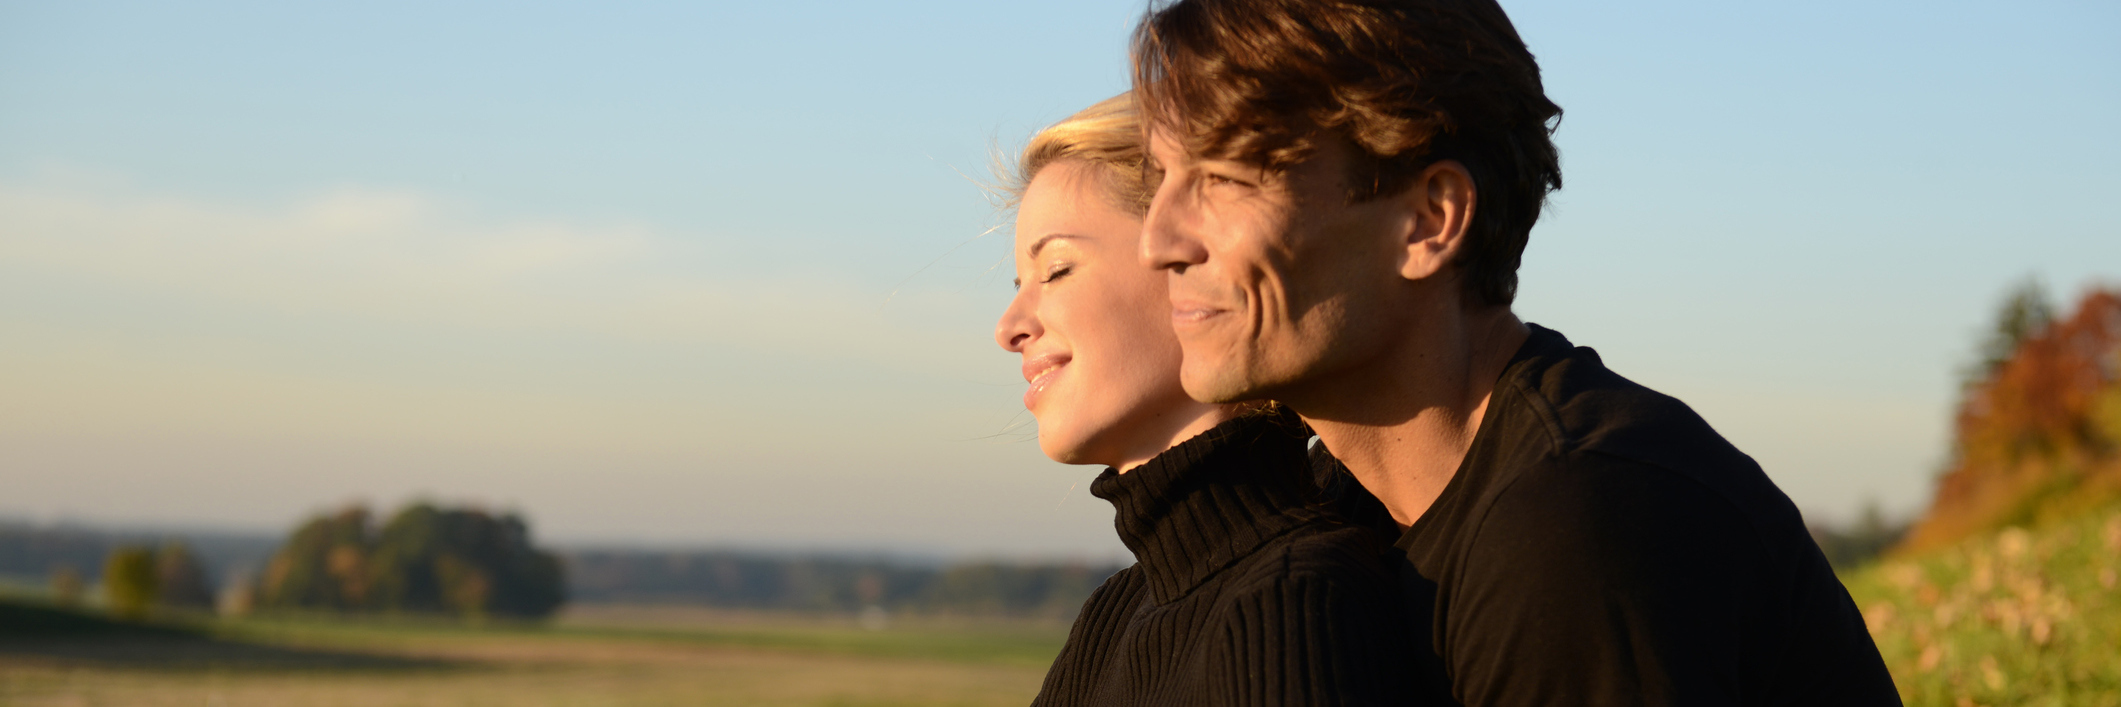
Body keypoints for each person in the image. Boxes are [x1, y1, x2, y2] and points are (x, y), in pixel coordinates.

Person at [1127, 1, 1902, 705]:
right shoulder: (1353, 505)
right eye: (1163, 178)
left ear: (1430, 220)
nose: (1157, 241)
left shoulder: (1573, 527)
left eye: (1225, 178)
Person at [994, 93, 1420, 706]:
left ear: (1197, 262)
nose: (1009, 327)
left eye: (1056, 270)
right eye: (1017, 285)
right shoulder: (1115, 614)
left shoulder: (1291, 608)